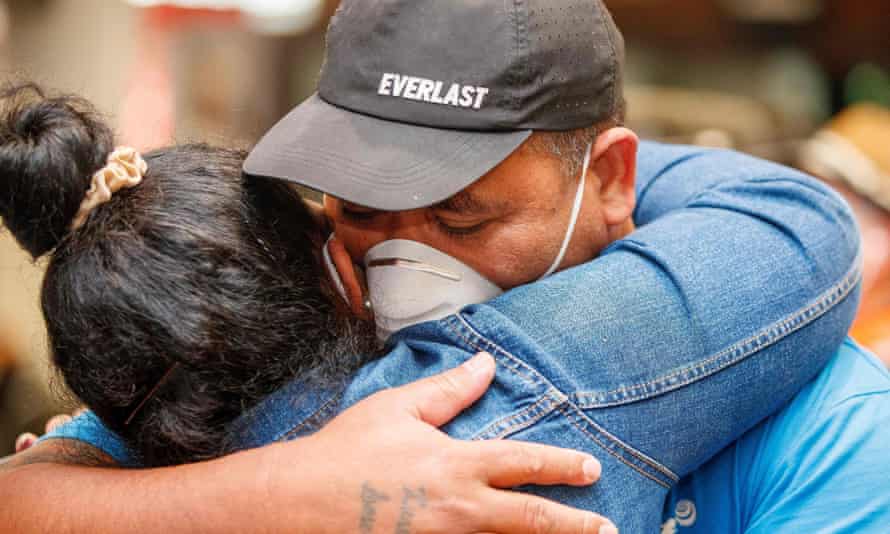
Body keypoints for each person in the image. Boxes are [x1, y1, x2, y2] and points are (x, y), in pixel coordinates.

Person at [3, 0, 882, 531]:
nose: (402, 261)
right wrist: (278, 492)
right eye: (360, 207)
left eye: (464, 212)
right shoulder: (290, 346)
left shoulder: (838, 430)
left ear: (612, 179)